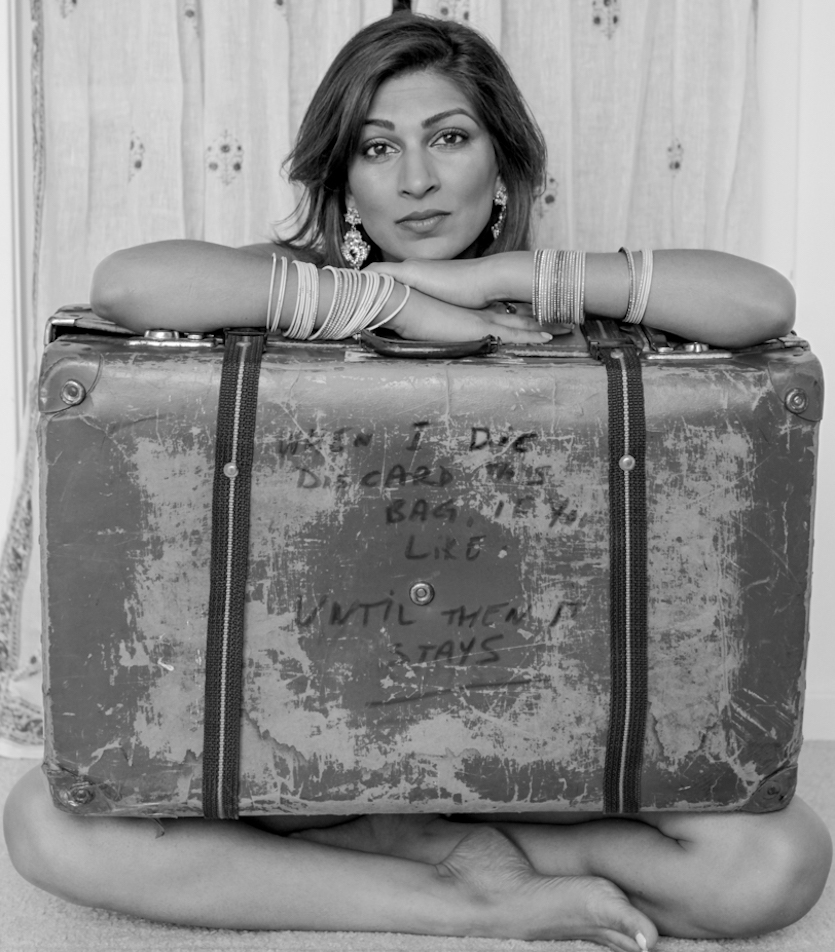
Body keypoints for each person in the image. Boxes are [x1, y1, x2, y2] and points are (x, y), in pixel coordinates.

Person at [3, 12, 830, 952]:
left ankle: (413, 836)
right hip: (287, 759)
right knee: (46, 822)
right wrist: (392, 301)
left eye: (448, 138)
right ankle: (465, 902)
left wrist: (492, 282)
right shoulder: (290, 289)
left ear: (503, 159)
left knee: (777, 863)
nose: (416, 180)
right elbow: (127, 285)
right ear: (341, 178)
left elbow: (761, 303)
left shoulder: (564, 303)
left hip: (542, 760)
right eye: (376, 148)